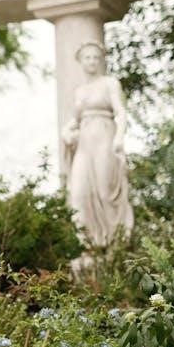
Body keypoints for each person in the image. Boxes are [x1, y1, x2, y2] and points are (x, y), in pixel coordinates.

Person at [61, 40, 134, 247]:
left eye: (95, 57)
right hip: (85, 143)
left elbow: (121, 112)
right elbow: (75, 120)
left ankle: (115, 242)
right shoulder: (79, 91)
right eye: (87, 57)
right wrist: (65, 132)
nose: (92, 61)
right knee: (79, 192)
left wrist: (119, 137)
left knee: (105, 192)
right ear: (80, 61)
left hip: (104, 137)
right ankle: (89, 244)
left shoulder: (109, 83)